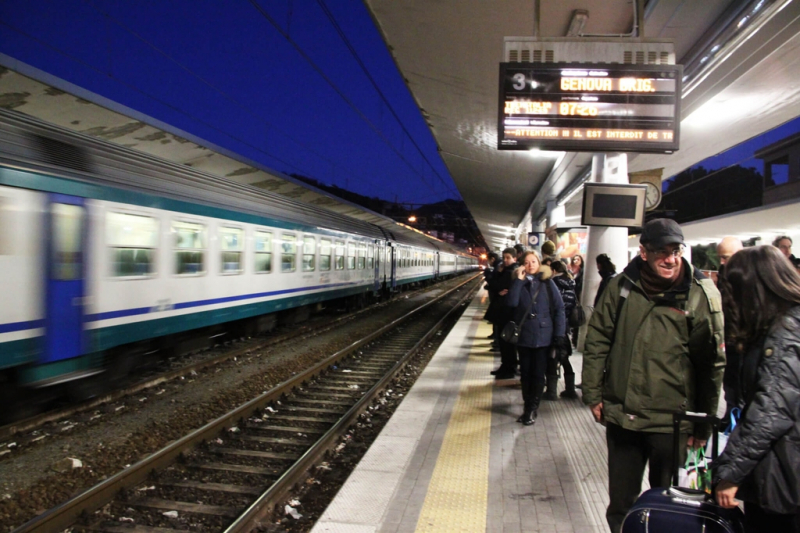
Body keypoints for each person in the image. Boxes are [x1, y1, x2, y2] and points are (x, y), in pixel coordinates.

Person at [581, 218, 725, 533]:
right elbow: (597, 343)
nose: (670, 259)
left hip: (674, 424)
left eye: (676, 251)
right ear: (644, 252)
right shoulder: (620, 288)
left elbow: (711, 364)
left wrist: (702, 425)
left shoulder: (701, 294)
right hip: (623, 416)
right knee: (621, 505)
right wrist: (593, 395)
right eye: (662, 252)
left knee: (674, 507)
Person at [714, 245, 800, 532]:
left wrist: (730, 473)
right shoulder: (785, 325)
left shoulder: (785, 333)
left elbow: (769, 412)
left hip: (783, 478)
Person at [506, 251, 566, 425]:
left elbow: (559, 309)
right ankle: (527, 406)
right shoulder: (519, 283)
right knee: (525, 374)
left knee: (538, 374)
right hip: (524, 336)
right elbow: (511, 303)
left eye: (534, 261)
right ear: (522, 265)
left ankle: (533, 409)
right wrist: (518, 280)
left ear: (539, 263)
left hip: (543, 336)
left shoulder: (548, 284)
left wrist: (559, 335)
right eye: (526, 262)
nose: (530, 264)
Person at [545, 260, 578, 400]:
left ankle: (551, 392)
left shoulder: (554, 284)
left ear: (553, 270)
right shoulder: (570, 284)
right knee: (564, 357)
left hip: (555, 326)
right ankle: (570, 389)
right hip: (565, 326)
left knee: (553, 356)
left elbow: (555, 308)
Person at [485, 248, 519, 379]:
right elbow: (496, 287)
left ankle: (508, 368)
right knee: (504, 342)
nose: (505, 260)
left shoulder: (510, 272)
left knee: (506, 342)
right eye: (504, 257)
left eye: (508, 258)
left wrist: (495, 279)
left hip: (506, 313)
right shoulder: (507, 271)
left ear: (515, 258)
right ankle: (505, 366)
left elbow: (495, 285)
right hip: (504, 312)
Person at [570, 254, 584, 348]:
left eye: (577, 259)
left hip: (577, 298)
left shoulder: (582, 272)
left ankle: (575, 339)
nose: (575, 260)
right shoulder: (571, 271)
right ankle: (574, 339)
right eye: (574, 259)